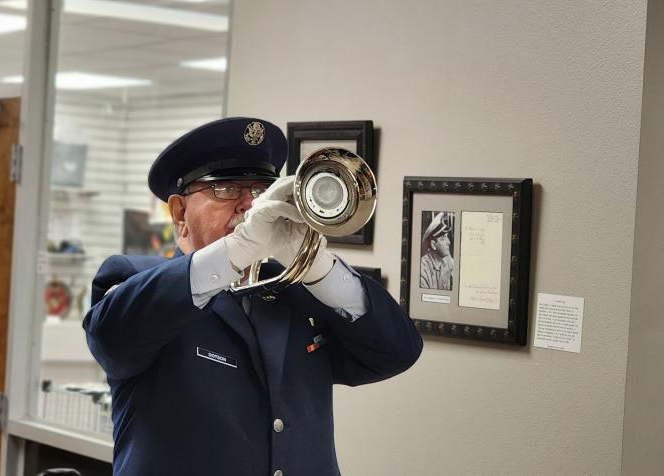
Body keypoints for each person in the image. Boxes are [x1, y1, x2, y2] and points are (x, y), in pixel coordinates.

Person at [84, 117, 422, 476]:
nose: (248, 205)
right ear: (180, 212)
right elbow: (112, 339)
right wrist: (237, 249)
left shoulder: (292, 289)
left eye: (261, 191)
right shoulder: (134, 279)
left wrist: (319, 267)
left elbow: (396, 352)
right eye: (226, 190)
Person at [419, 212, 454, 290]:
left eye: (447, 237)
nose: (449, 242)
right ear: (433, 245)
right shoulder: (422, 269)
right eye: (443, 238)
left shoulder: (447, 259)